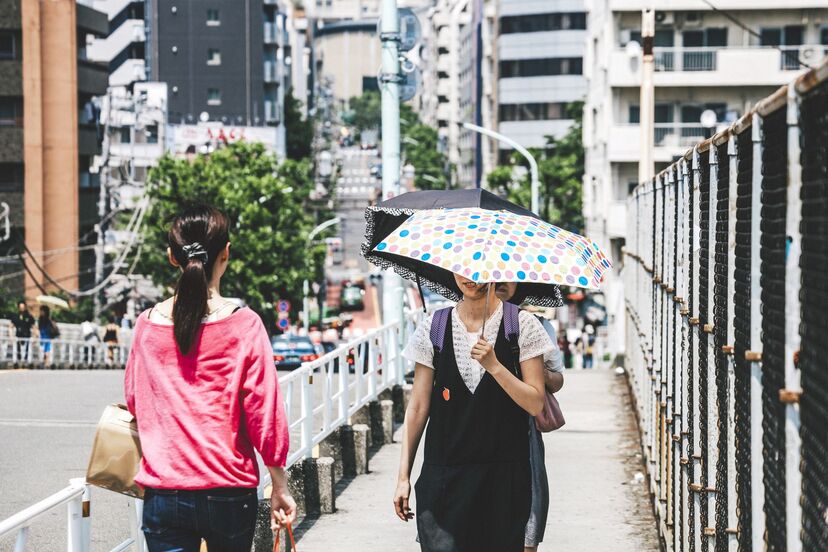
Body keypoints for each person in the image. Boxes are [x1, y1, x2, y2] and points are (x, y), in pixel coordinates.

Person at [124, 205, 296, 552]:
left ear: (172, 257)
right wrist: (279, 484)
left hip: (165, 489)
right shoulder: (245, 324)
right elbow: (264, 414)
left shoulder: (146, 325)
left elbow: (134, 399)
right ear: (226, 254)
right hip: (229, 491)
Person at [394, 276, 551, 552]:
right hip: (444, 475)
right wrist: (403, 477)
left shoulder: (523, 325)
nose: (469, 278)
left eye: (480, 271)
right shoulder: (435, 326)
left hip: (503, 479)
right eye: (461, 269)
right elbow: (418, 407)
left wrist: (495, 366)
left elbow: (535, 403)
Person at [495, 283, 565, 552]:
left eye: (507, 276)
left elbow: (557, 380)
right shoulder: (455, 323)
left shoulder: (535, 326)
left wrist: (533, 368)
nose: (499, 282)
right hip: (471, 429)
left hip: (521, 427)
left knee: (527, 507)